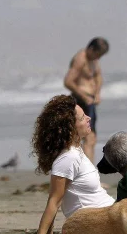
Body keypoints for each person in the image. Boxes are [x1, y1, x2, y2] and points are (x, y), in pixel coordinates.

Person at [32, 95, 114, 234]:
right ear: (69, 127)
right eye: (82, 118)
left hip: (108, 217)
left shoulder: (76, 151)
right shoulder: (68, 158)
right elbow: (54, 202)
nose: (89, 118)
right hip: (95, 224)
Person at [64, 37, 109, 163]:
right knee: (85, 137)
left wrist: (98, 93)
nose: (98, 58)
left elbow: (98, 76)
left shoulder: (93, 60)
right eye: (97, 54)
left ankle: (87, 171)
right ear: (91, 48)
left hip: (90, 103)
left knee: (90, 138)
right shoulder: (80, 59)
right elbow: (68, 81)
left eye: (101, 56)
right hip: (80, 101)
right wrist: (84, 96)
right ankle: (85, 172)